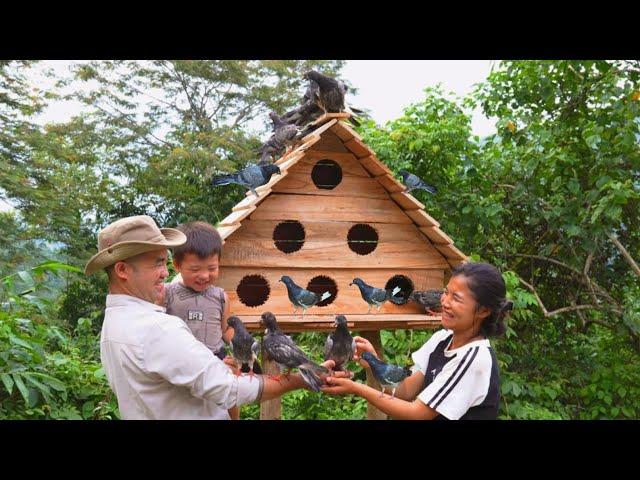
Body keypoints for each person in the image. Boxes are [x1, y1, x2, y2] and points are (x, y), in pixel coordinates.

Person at [85, 215, 340, 419]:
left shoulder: (115, 324)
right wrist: (300, 379)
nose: (164, 273)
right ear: (122, 270)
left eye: (164, 262)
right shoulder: (157, 328)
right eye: (156, 264)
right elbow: (230, 390)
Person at [321, 262, 513, 420]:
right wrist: (374, 363)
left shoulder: (473, 359)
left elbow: (417, 413)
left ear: (483, 311)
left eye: (456, 298)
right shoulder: (442, 339)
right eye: (446, 292)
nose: (444, 302)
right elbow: (404, 389)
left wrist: (356, 388)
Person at [159, 221, 241, 419]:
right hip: (182, 361)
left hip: (216, 358)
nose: (204, 275)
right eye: (195, 269)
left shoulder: (220, 296)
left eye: (212, 268)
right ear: (177, 265)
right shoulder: (168, 294)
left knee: (232, 389)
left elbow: (225, 330)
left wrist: (244, 348)